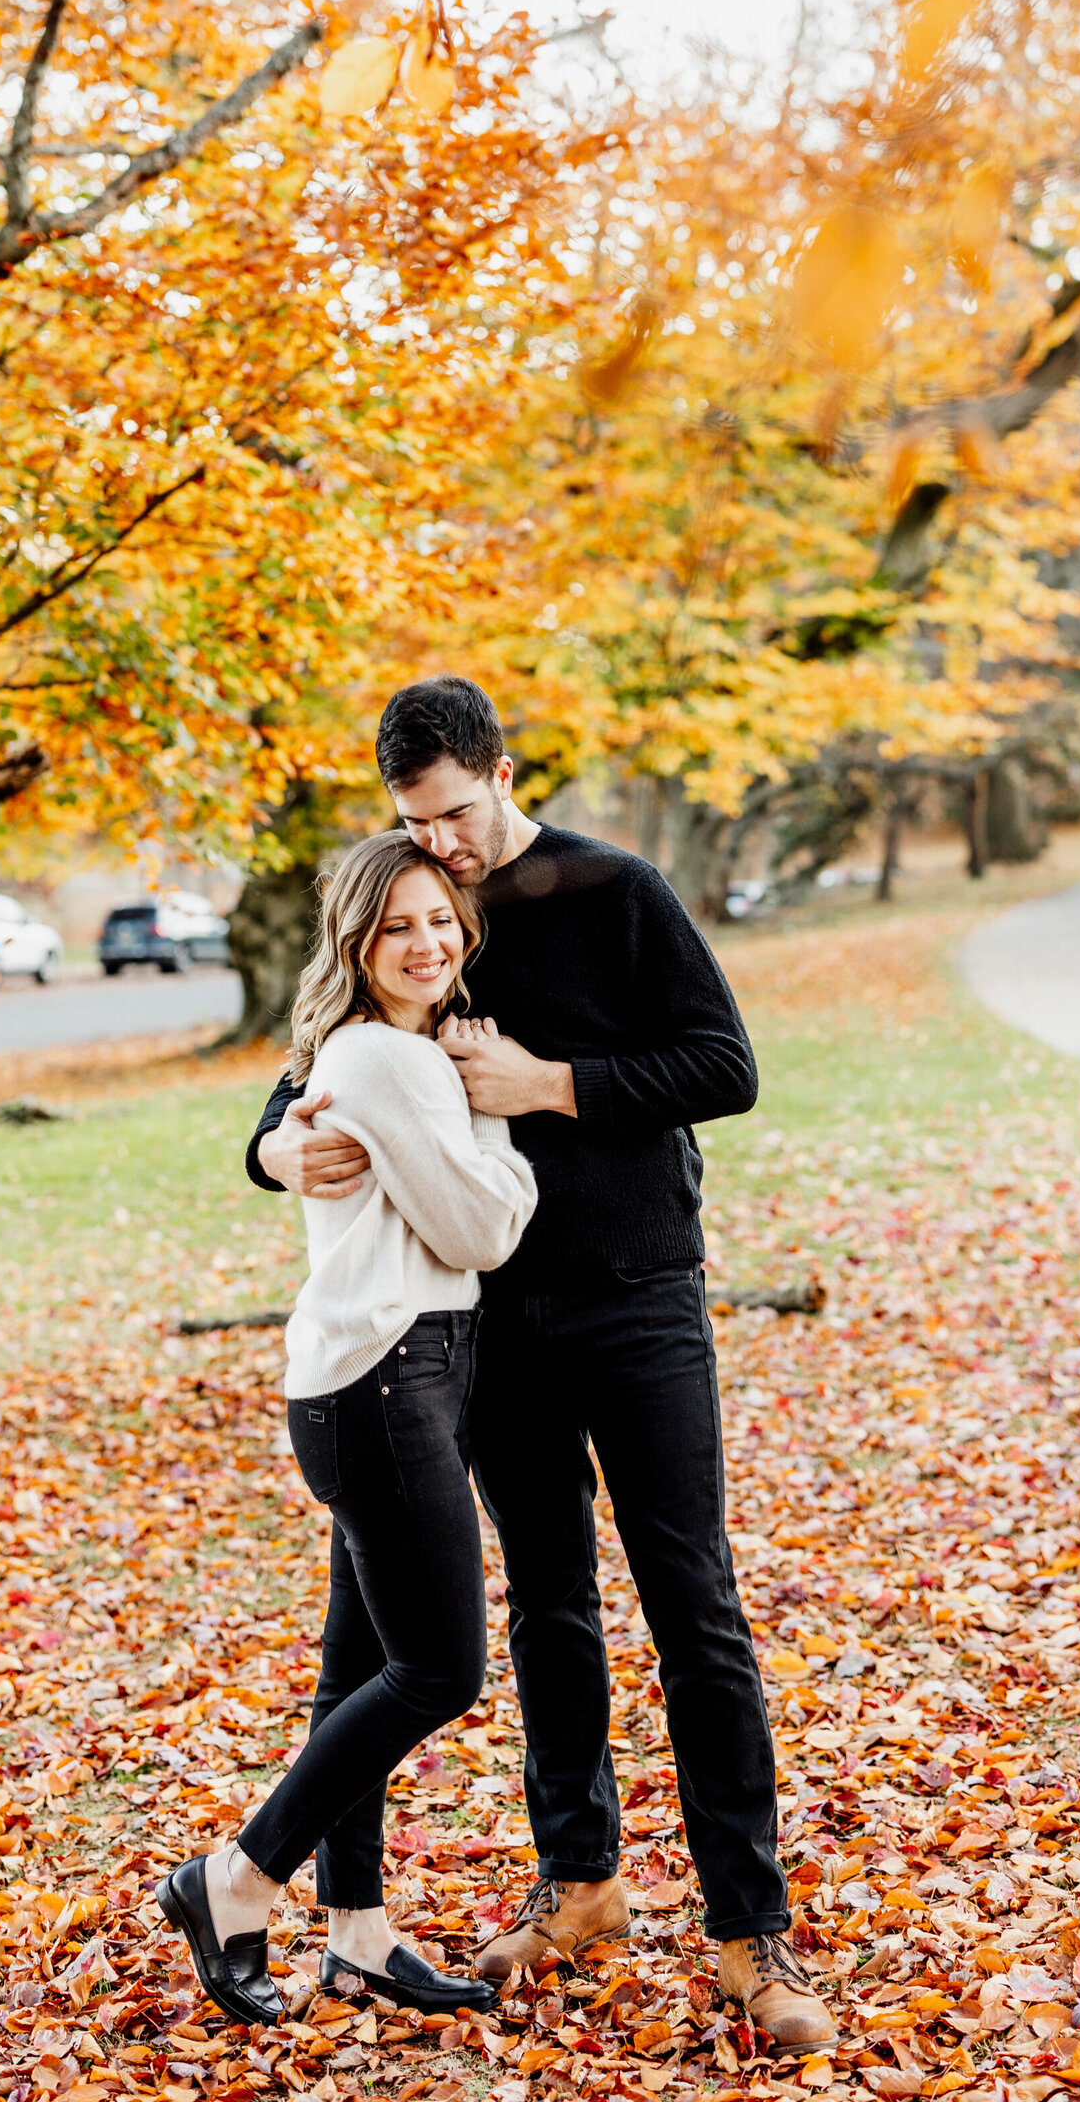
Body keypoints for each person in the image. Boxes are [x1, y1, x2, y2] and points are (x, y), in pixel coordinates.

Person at [248, 678, 835, 2052]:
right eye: (414, 823)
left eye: (456, 815)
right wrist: (277, 1151)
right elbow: (300, 1078)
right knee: (548, 1608)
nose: (440, 850)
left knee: (694, 1604)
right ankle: (581, 1885)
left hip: (638, 1298)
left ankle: (754, 1935)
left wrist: (548, 1084)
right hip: (487, 1327)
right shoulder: (413, 908)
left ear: (504, 773)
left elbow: (724, 1066)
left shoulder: (617, 892)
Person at [159, 830, 538, 2026]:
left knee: (358, 1674)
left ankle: (360, 1933)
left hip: (378, 1376)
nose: (426, 944)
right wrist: (494, 1112)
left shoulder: (379, 1051)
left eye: (440, 920)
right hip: (387, 1383)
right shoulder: (391, 1062)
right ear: (355, 945)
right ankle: (232, 1879)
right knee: (440, 1669)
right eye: (395, 928)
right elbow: (484, 1232)